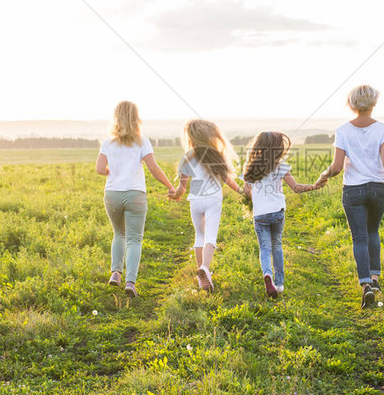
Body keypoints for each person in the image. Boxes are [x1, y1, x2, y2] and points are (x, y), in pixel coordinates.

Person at [315, 85, 384, 307]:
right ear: (374, 103)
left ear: (351, 104)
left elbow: (336, 167)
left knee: (359, 237)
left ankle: (365, 286)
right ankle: (375, 278)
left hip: (353, 190)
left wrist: (323, 176)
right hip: (379, 189)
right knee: (373, 231)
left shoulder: (342, 130)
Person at [95, 101, 175, 298]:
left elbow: (99, 169)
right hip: (135, 194)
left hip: (112, 194)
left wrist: (113, 172)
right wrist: (170, 186)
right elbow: (153, 167)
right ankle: (130, 282)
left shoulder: (107, 143)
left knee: (118, 234)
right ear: (136, 118)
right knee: (134, 239)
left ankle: (115, 273)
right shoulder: (142, 141)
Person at [170, 119, 245, 292]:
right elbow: (228, 180)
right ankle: (204, 268)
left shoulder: (187, 157)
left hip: (195, 201)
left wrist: (174, 194)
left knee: (199, 235)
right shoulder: (215, 155)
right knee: (210, 236)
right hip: (213, 200)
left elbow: (181, 187)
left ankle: (201, 275)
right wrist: (242, 192)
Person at [242, 131, 318, 298]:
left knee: (264, 248)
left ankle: (267, 274)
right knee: (277, 246)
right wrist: (313, 186)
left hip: (260, 214)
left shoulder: (251, 167)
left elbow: (247, 191)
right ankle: (280, 283)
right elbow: (296, 188)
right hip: (277, 212)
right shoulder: (281, 166)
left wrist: (251, 201)